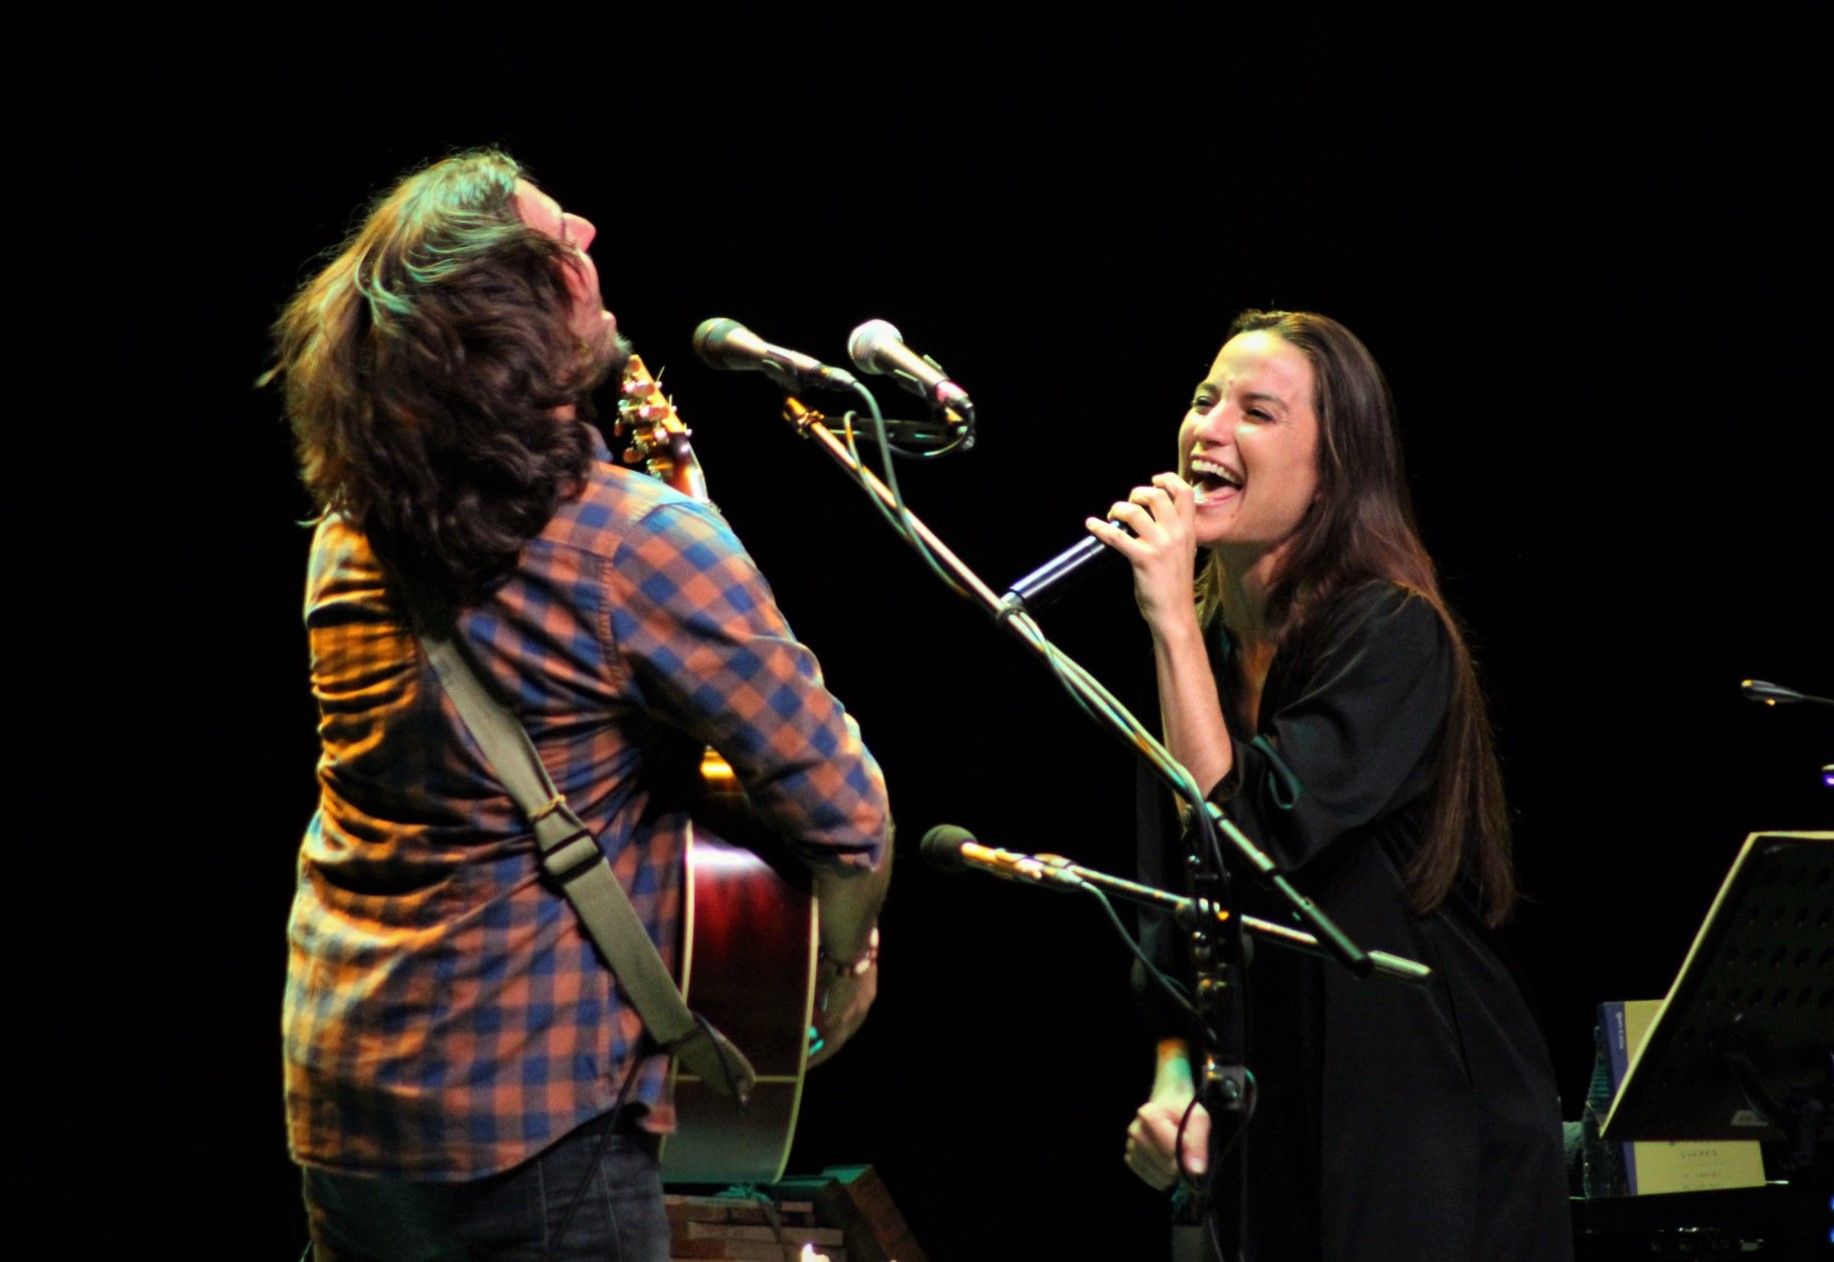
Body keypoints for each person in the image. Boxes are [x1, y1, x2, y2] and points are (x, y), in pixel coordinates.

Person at [264, 149, 892, 1261]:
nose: (591, 235)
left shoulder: (346, 538)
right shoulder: (635, 544)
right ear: (511, 318)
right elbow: (846, 814)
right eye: (561, 239)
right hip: (533, 1121)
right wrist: (840, 962)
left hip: (345, 1098)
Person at [1094, 311, 1570, 1260]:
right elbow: (1175, 907)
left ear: (1335, 466)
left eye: (1258, 412)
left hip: (1423, 1100)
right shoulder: (1198, 653)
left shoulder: (1393, 633)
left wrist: (1171, 630)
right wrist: (1173, 1073)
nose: (1210, 428)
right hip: (1280, 1115)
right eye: (1204, 399)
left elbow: (1253, 838)